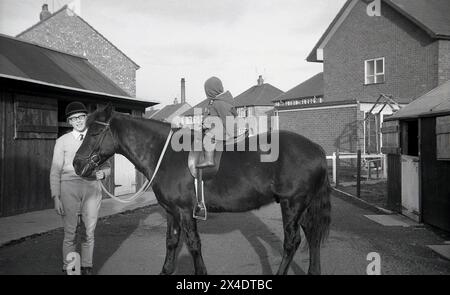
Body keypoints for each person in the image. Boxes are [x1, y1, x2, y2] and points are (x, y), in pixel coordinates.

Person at [50, 101, 110, 275]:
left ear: (86, 118)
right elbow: (55, 170)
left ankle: (86, 266)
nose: (78, 121)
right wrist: (56, 197)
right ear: (69, 121)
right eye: (73, 118)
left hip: (92, 188)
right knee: (70, 232)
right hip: (69, 187)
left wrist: (104, 174)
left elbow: (107, 166)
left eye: (81, 117)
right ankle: (70, 269)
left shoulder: (96, 138)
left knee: (89, 231)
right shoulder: (62, 141)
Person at [196, 76, 238, 168]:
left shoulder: (219, 103)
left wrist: (232, 133)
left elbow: (227, 118)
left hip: (222, 130)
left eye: (207, 91)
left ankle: (209, 160)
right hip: (218, 127)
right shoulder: (216, 102)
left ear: (211, 91)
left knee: (208, 137)